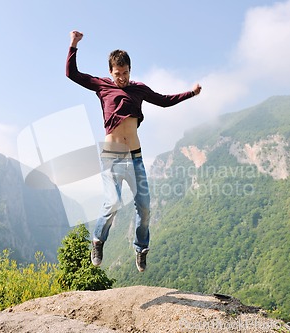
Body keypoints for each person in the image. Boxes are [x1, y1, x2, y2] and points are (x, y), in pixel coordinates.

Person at [66, 30, 201, 272]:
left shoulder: (139, 89)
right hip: (112, 158)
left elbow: (164, 100)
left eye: (125, 73)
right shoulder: (102, 85)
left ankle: (141, 249)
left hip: (135, 157)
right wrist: (73, 45)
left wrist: (190, 93)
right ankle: (98, 240)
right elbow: (72, 74)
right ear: (110, 72)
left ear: (130, 69)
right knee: (114, 202)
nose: (122, 78)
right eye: (117, 74)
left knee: (145, 206)